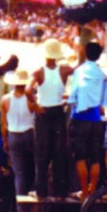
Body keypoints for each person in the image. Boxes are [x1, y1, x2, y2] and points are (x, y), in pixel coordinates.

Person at [29, 39, 73, 199]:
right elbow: (78, 70)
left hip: (44, 111)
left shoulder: (39, 71)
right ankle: (60, 192)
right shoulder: (64, 70)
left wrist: (35, 104)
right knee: (58, 152)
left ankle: (41, 191)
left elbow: (28, 89)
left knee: (42, 152)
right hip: (58, 110)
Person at [67, 42, 107, 200]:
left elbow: (74, 92)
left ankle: (84, 191)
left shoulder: (80, 71)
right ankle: (93, 189)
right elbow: (103, 99)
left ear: (84, 53)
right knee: (96, 157)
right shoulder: (101, 74)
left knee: (80, 157)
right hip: (96, 117)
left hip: (80, 117)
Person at [1, 69, 36, 212]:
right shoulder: (32, 99)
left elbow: (3, 124)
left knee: (19, 173)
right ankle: (33, 206)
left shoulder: (5, 100)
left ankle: (21, 209)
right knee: (32, 170)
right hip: (30, 134)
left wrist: (5, 140)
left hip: (14, 134)